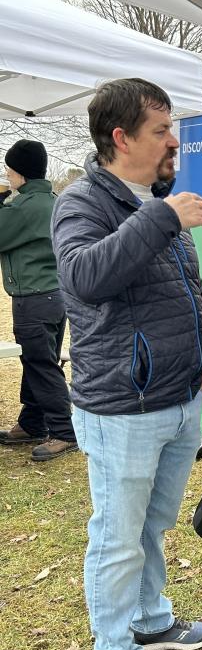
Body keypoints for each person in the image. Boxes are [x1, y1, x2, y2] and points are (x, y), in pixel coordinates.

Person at [52, 78, 202, 650]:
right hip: (122, 406)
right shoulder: (82, 203)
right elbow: (84, 277)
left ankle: (151, 623)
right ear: (121, 138)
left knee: (152, 525)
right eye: (160, 129)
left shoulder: (155, 200)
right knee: (119, 534)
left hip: (178, 398)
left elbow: (183, 292)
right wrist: (160, 217)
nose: (173, 139)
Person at [0, 140, 76, 460]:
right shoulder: (53, 200)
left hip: (32, 297)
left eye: (9, 169)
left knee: (40, 363)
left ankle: (64, 431)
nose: (6, 174)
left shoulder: (23, 206)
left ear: (21, 173)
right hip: (56, 296)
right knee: (38, 359)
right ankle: (33, 422)